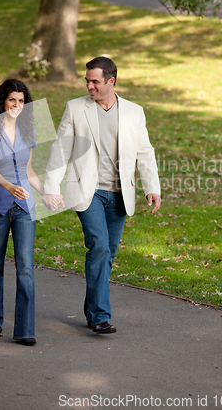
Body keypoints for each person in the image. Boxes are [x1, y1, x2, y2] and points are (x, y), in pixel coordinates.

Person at [43, 56, 161, 334]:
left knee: (107, 255)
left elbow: (145, 151)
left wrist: (152, 187)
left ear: (111, 81)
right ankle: (100, 316)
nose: (89, 86)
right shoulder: (75, 108)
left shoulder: (134, 112)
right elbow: (60, 149)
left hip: (120, 194)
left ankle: (92, 308)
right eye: (87, 81)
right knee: (98, 246)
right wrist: (50, 186)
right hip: (88, 191)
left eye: (95, 81)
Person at [0, 79, 44, 346]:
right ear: (3, 101)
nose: (17, 105)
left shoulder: (28, 131)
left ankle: (25, 330)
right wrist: (8, 186)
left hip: (25, 206)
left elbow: (28, 170)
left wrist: (46, 191)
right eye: (12, 100)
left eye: (21, 101)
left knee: (26, 266)